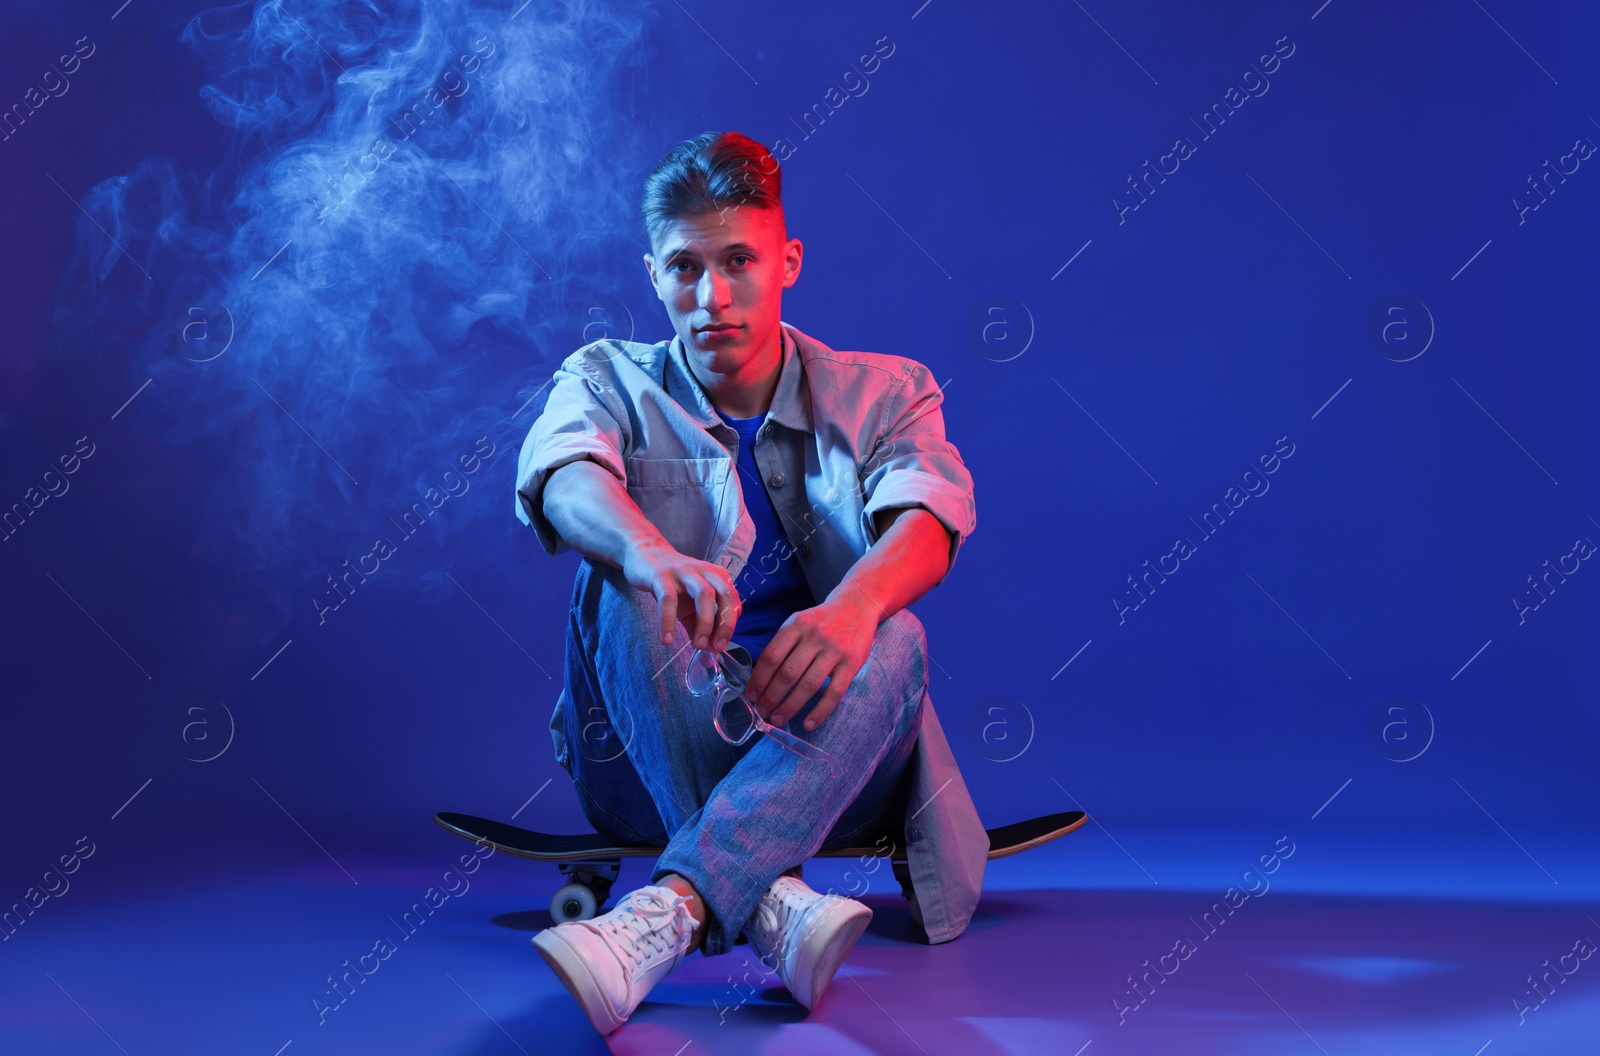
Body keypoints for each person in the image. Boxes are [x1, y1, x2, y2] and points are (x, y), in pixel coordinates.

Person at [514, 130, 986, 1035]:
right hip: (645, 761)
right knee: (620, 581)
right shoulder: (605, 377)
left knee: (897, 633)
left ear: (788, 261)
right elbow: (566, 471)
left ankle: (673, 909)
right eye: (686, 267)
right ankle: (764, 900)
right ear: (653, 273)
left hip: (834, 764)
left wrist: (852, 604)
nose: (713, 296)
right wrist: (649, 553)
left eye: (739, 261)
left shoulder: (887, 391)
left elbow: (932, 513)